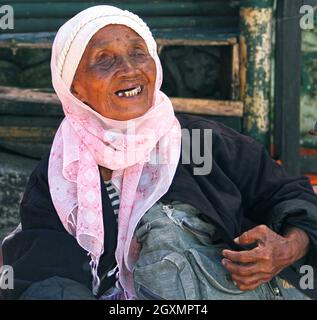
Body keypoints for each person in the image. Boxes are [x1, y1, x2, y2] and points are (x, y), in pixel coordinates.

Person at [1, 5, 317, 300]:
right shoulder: (62, 171)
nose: (128, 70)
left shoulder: (198, 142)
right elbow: (45, 269)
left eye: (139, 53)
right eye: (104, 59)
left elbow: (289, 195)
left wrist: (290, 246)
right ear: (73, 87)